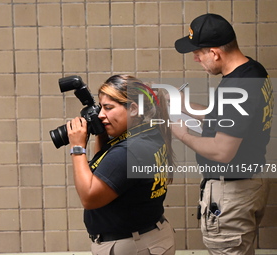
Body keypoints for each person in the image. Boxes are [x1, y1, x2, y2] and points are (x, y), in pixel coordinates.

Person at [173, 13, 273, 254]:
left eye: (198, 53)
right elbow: (231, 119)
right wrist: (183, 106)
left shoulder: (237, 87)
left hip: (232, 194)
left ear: (215, 53)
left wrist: (183, 135)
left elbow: (222, 151)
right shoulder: (253, 70)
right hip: (250, 183)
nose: (196, 59)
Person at [66, 74, 176, 255]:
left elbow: (89, 198)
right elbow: (106, 170)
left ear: (133, 109)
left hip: (132, 246)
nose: (101, 115)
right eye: (101, 108)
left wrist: (77, 148)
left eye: (108, 108)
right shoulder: (149, 134)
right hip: (150, 237)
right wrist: (101, 133)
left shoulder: (129, 151)